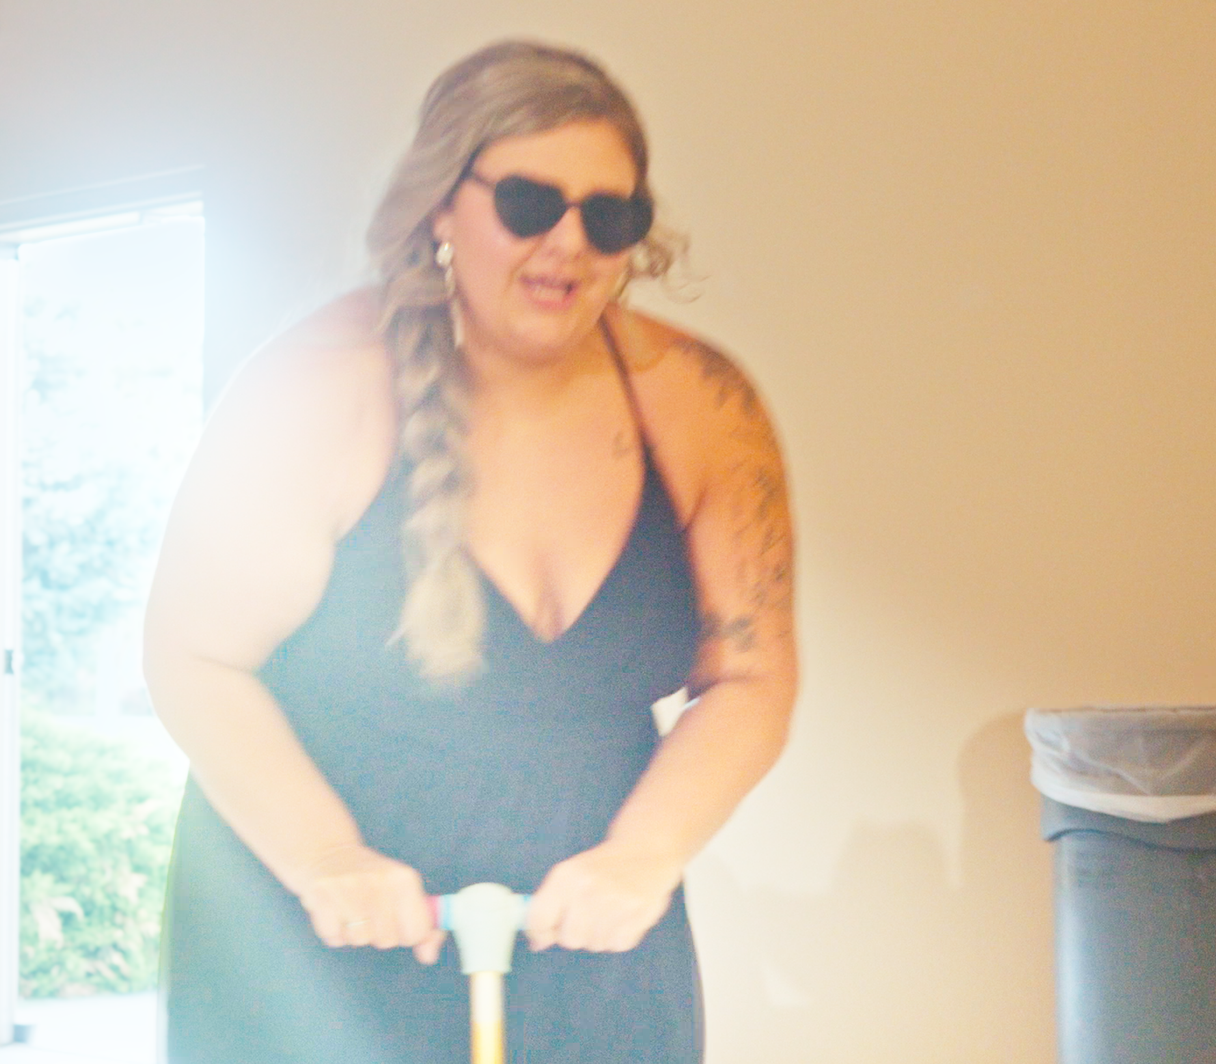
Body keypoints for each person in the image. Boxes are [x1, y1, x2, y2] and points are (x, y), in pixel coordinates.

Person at [145, 41, 796, 1062]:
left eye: (609, 215)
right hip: (325, 911)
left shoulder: (701, 401)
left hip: (590, 907)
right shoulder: (319, 384)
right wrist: (325, 856)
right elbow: (194, 657)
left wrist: (644, 852)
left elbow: (750, 676)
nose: (568, 243)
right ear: (441, 205)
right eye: (530, 204)